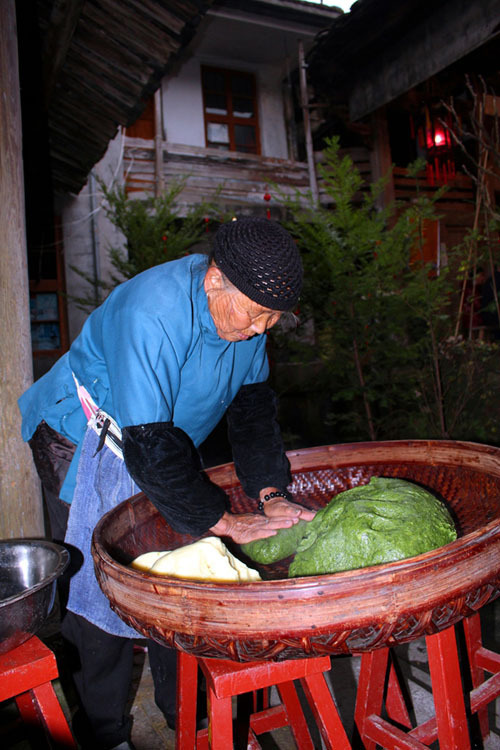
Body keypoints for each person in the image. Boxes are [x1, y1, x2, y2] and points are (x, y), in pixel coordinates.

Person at [19, 216, 315, 750]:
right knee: (104, 579)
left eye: (272, 320)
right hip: (81, 435)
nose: (259, 330)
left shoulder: (247, 317)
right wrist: (220, 521)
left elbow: (251, 415)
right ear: (215, 279)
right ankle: (105, 732)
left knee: (178, 571)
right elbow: (151, 442)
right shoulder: (151, 311)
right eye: (255, 315)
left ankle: (185, 716)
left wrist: (270, 496)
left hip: (158, 439)